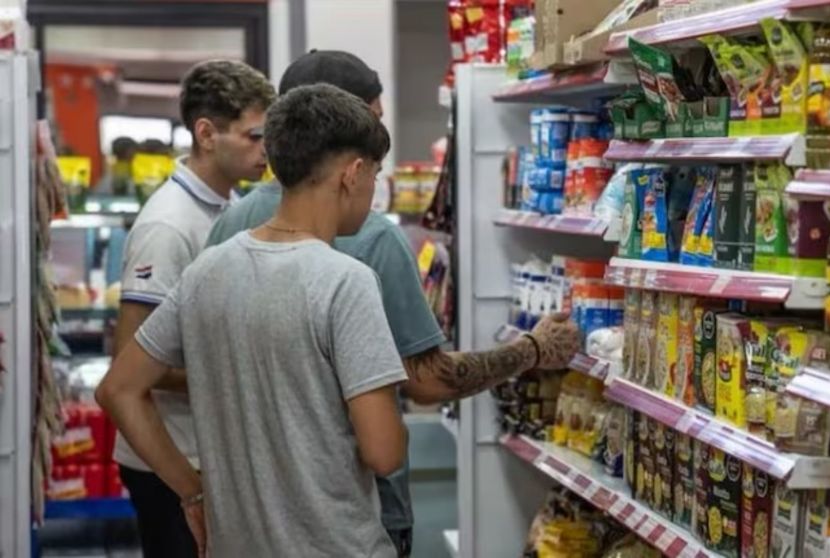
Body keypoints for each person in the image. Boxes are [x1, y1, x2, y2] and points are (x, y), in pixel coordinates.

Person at [206, 51, 582, 556]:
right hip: (353, 514)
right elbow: (426, 382)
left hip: (245, 512)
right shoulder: (370, 239)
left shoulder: (230, 226)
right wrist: (530, 351)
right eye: (373, 123)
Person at [98, 84, 408, 557]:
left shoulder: (207, 270)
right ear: (354, 173)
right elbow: (384, 452)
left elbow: (118, 389)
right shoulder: (347, 281)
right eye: (376, 174)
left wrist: (191, 490)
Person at [112, 59, 275, 558]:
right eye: (253, 136)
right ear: (207, 133)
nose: (266, 150)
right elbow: (132, 364)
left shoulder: (228, 208)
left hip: (208, 453)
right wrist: (239, 371)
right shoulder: (169, 226)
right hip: (172, 461)